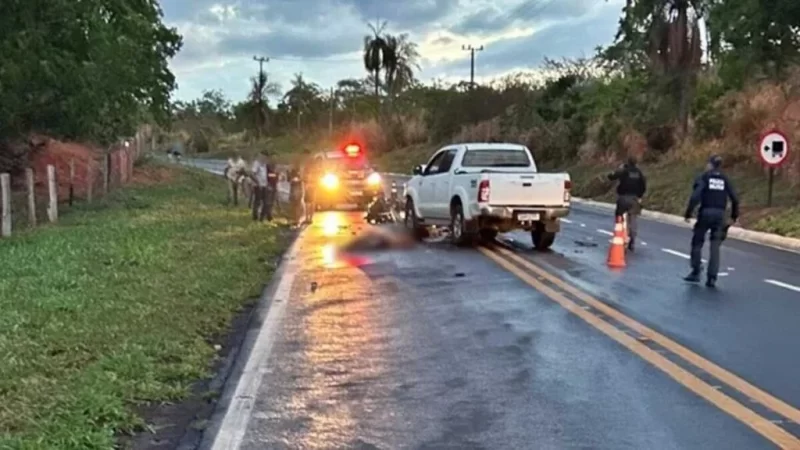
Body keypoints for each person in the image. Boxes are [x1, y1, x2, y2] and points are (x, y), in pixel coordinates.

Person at [683, 155, 739, 287]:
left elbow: (695, 196)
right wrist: (734, 216)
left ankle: (696, 271)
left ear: (710, 165)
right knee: (715, 245)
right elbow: (735, 198)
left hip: (706, 213)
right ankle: (712, 277)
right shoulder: (725, 179)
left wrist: (688, 213)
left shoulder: (705, 177)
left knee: (697, 241)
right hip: (720, 215)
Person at [606, 156, 647, 251]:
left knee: (619, 216)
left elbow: (611, 176)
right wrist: (639, 196)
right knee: (633, 219)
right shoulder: (639, 173)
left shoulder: (624, 171)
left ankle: (619, 233)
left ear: (627, 163)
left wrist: (618, 170)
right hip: (634, 199)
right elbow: (643, 186)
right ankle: (632, 238)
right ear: (636, 163)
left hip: (623, 198)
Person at [250, 151, 271, 221]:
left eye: (266, 157)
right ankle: (255, 217)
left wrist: (267, 183)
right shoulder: (257, 163)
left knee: (265, 202)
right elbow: (252, 174)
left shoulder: (264, 164)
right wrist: (257, 182)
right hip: (258, 186)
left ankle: (262, 217)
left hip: (264, 185)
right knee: (258, 201)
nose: (265, 158)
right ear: (261, 156)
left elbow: (265, 175)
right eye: (263, 157)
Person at [301, 150, 316, 224]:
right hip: (313, 184)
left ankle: (308, 218)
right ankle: (309, 218)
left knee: (308, 201)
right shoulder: (312, 162)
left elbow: (309, 174)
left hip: (310, 184)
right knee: (311, 201)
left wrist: (308, 184)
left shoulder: (309, 164)